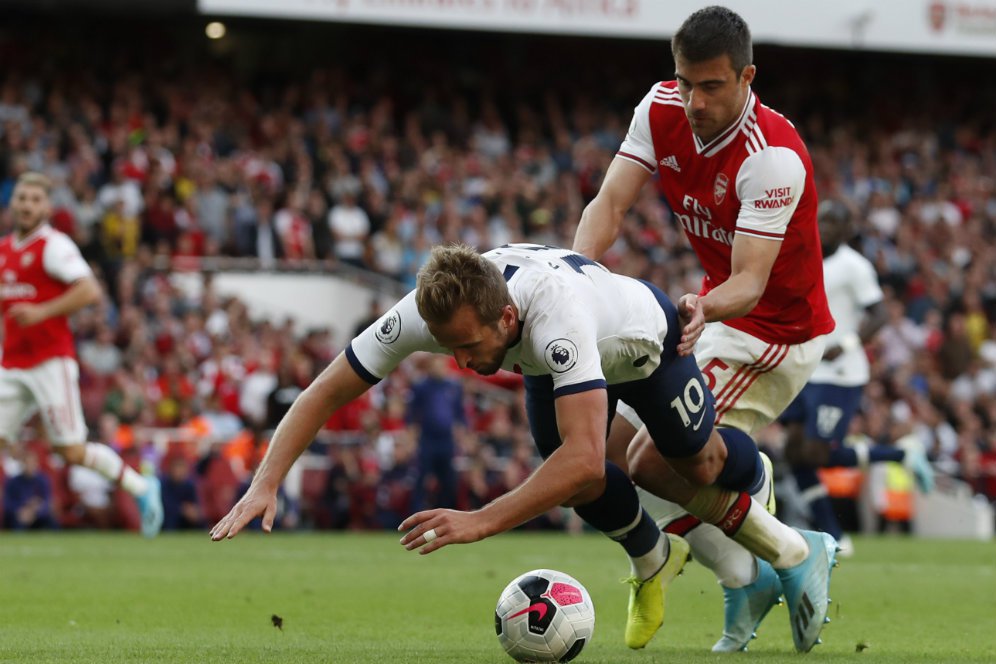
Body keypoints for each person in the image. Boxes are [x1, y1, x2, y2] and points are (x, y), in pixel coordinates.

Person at [212, 243, 837, 653]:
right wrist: (266, 480)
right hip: (550, 360)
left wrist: (482, 521)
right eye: (446, 346)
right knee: (571, 473)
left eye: (468, 347)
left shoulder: (553, 317)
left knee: (677, 463)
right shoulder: (430, 310)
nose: (458, 362)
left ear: (506, 320)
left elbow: (586, 456)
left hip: (645, 344)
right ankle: (653, 559)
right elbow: (326, 389)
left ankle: (758, 486)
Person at [571, 6, 835, 652]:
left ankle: (794, 540)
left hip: (774, 331)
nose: (693, 100)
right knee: (608, 452)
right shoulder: (660, 108)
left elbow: (750, 282)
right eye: (686, 81)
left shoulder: (771, 157)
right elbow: (611, 203)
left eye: (712, 86)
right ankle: (744, 575)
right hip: (715, 318)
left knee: (656, 459)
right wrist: (575, 277)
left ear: (747, 77)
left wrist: (703, 307)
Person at [0, 172, 162, 537]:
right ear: (13, 203)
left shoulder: (54, 246)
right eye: (21, 198)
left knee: (70, 452)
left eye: (34, 199)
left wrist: (41, 312)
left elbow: (89, 290)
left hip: (50, 363)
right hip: (11, 364)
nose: (26, 205)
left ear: (47, 207)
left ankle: (142, 488)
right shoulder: (5, 250)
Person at [779, 199, 933, 554]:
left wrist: (847, 344)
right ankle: (837, 535)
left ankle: (900, 455)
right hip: (805, 368)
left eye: (835, 222)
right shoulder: (806, 257)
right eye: (823, 220)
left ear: (847, 230)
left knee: (815, 453)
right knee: (794, 452)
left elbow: (879, 314)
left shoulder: (855, 266)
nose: (826, 227)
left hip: (841, 373)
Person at [406, 354, 467, 511]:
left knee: (448, 480)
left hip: (446, 440)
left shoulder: (454, 386)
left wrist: (463, 435)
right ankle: (416, 515)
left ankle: (446, 514)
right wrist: (411, 438)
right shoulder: (421, 387)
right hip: (427, 439)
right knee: (422, 479)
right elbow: (412, 415)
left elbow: (460, 414)